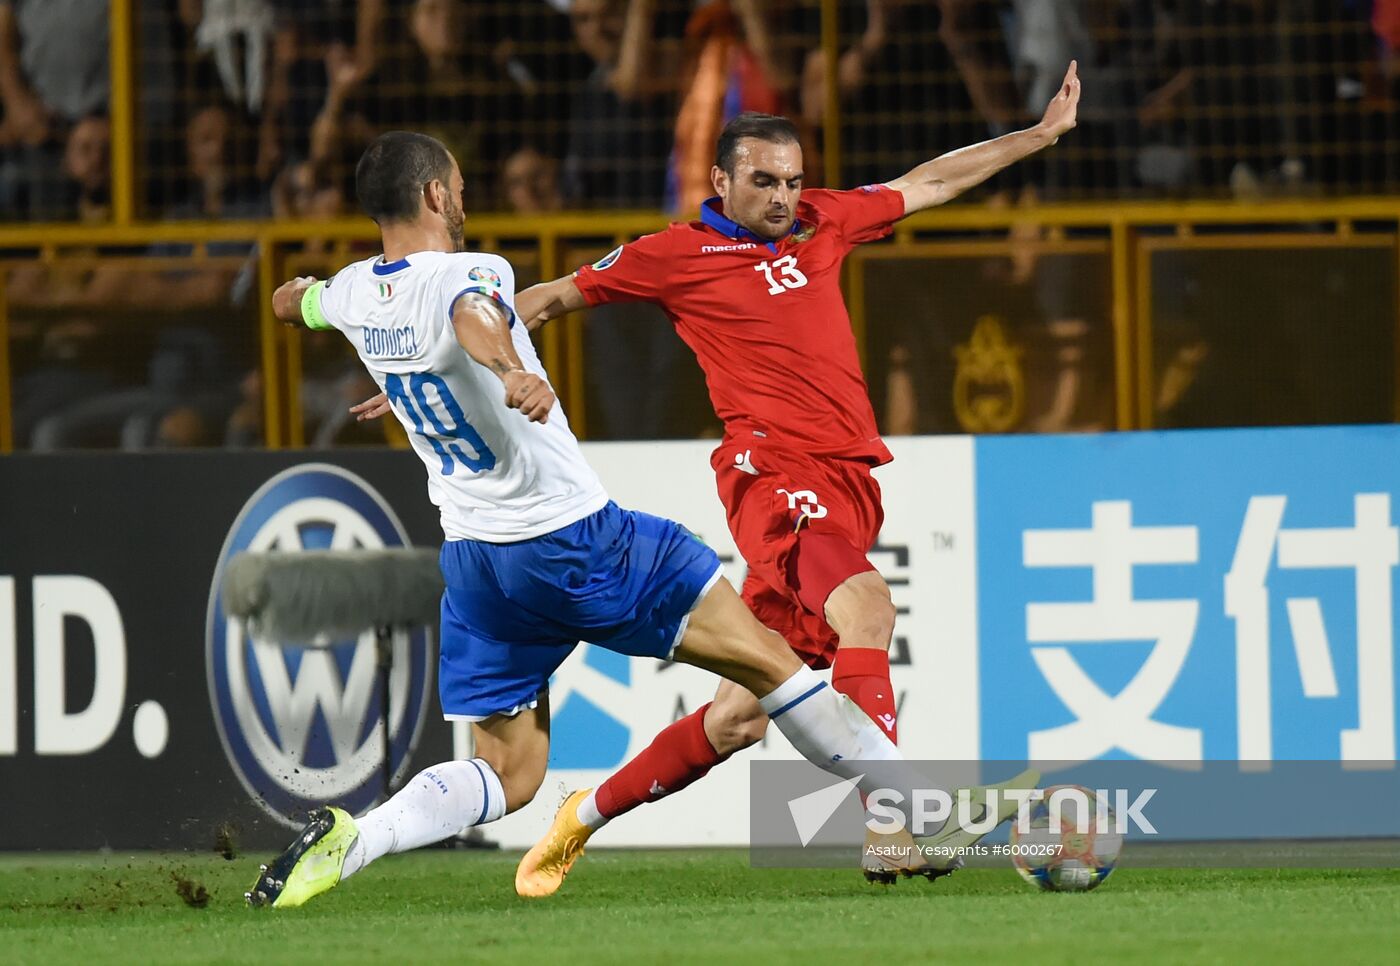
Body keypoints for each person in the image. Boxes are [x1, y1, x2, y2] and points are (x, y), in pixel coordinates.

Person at [251, 130, 1033, 909]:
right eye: (456, 186)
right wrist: (508, 368)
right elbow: (477, 312)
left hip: (479, 565)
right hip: (581, 539)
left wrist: (332, 316)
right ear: (433, 197)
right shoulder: (474, 273)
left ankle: (359, 839)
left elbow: (299, 303)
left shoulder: (353, 291)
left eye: (793, 180)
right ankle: (918, 814)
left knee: (517, 771)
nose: (784, 195)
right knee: (781, 660)